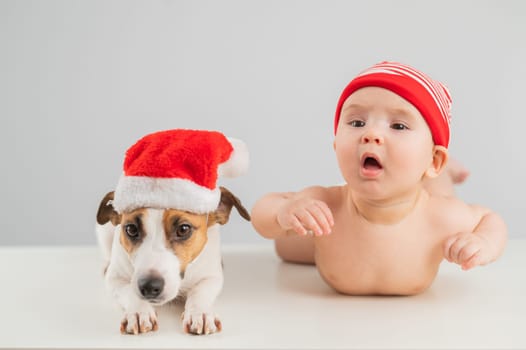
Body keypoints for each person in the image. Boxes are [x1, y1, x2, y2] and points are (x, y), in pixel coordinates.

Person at [250, 61, 507, 296]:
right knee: (285, 245)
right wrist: (283, 211)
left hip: (427, 198)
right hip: (331, 235)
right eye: (357, 122)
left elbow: (489, 219)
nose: (370, 134)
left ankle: (444, 175)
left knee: (441, 193)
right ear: (336, 145)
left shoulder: (441, 217)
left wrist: (483, 242)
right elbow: (262, 212)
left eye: (398, 126)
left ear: (433, 160)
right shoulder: (327, 204)